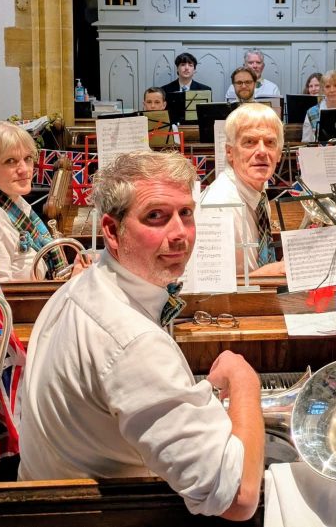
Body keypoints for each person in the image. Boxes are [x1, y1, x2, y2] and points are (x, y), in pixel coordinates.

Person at [19, 151, 263, 520]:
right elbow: (238, 499)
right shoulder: (132, 341)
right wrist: (245, 381)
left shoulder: (78, 286)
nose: (180, 233)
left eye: (186, 213)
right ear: (112, 231)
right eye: (156, 217)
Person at [0, 121, 86, 282]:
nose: (24, 169)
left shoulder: (11, 198)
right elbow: (2, 297)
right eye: (10, 161)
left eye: (28, 158)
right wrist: (71, 284)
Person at [200, 103, 284, 277]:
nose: (261, 151)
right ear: (229, 152)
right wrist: (268, 273)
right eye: (250, 142)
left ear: (279, 153)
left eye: (270, 143)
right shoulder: (218, 205)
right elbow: (210, 288)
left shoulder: (256, 191)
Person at [301, 70, 336, 144]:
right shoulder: (312, 112)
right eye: (328, 86)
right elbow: (306, 143)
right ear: (323, 90)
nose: (332, 90)